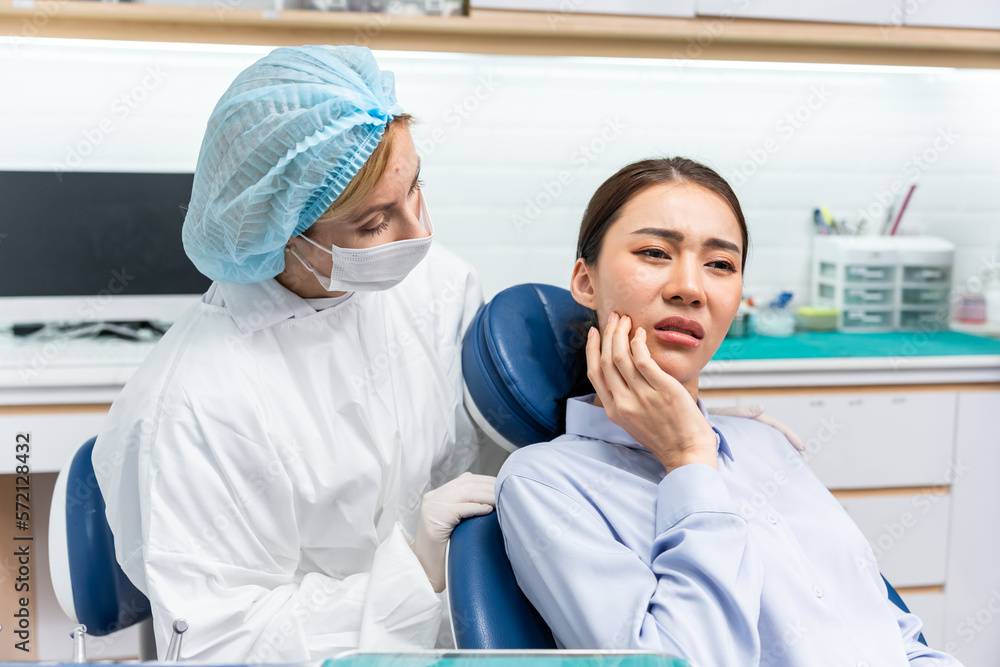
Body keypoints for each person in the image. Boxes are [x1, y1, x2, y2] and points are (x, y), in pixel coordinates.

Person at [93, 45, 497, 663]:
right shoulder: (191, 407)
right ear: (279, 228)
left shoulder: (433, 286)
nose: (420, 234)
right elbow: (221, 644)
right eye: (373, 224)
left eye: (416, 188)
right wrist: (414, 573)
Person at [495, 157, 963, 666]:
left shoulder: (767, 446)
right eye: (654, 252)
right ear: (585, 281)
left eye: (720, 264)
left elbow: (895, 637)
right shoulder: (546, 484)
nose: (690, 288)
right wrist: (689, 461)